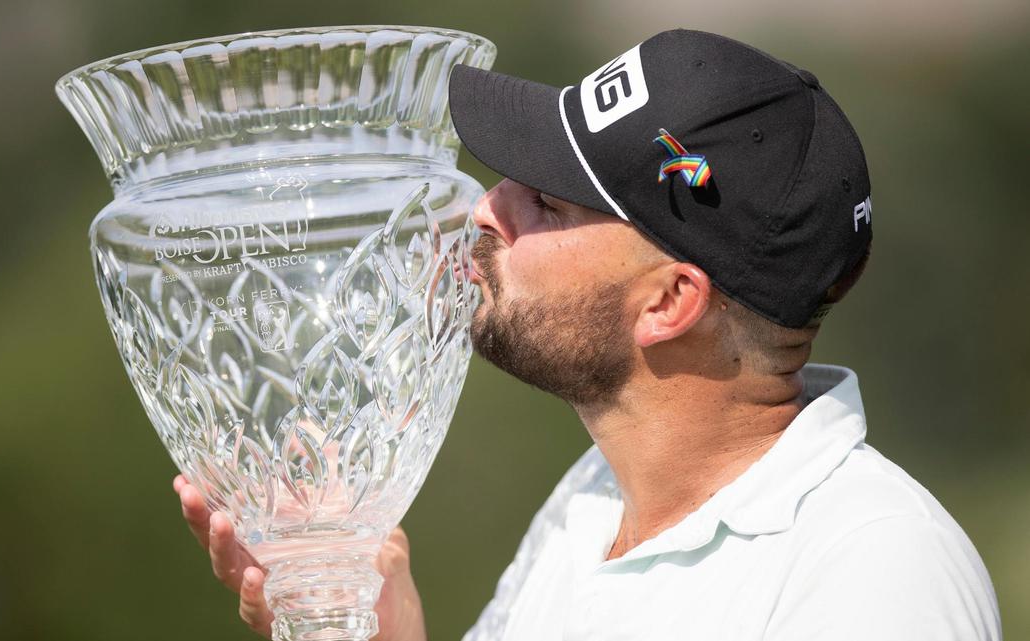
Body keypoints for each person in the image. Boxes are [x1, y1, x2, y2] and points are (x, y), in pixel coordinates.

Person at [174, 28, 1002, 640]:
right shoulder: (592, 503)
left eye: (549, 202)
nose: (486, 210)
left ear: (670, 301)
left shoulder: (879, 572)